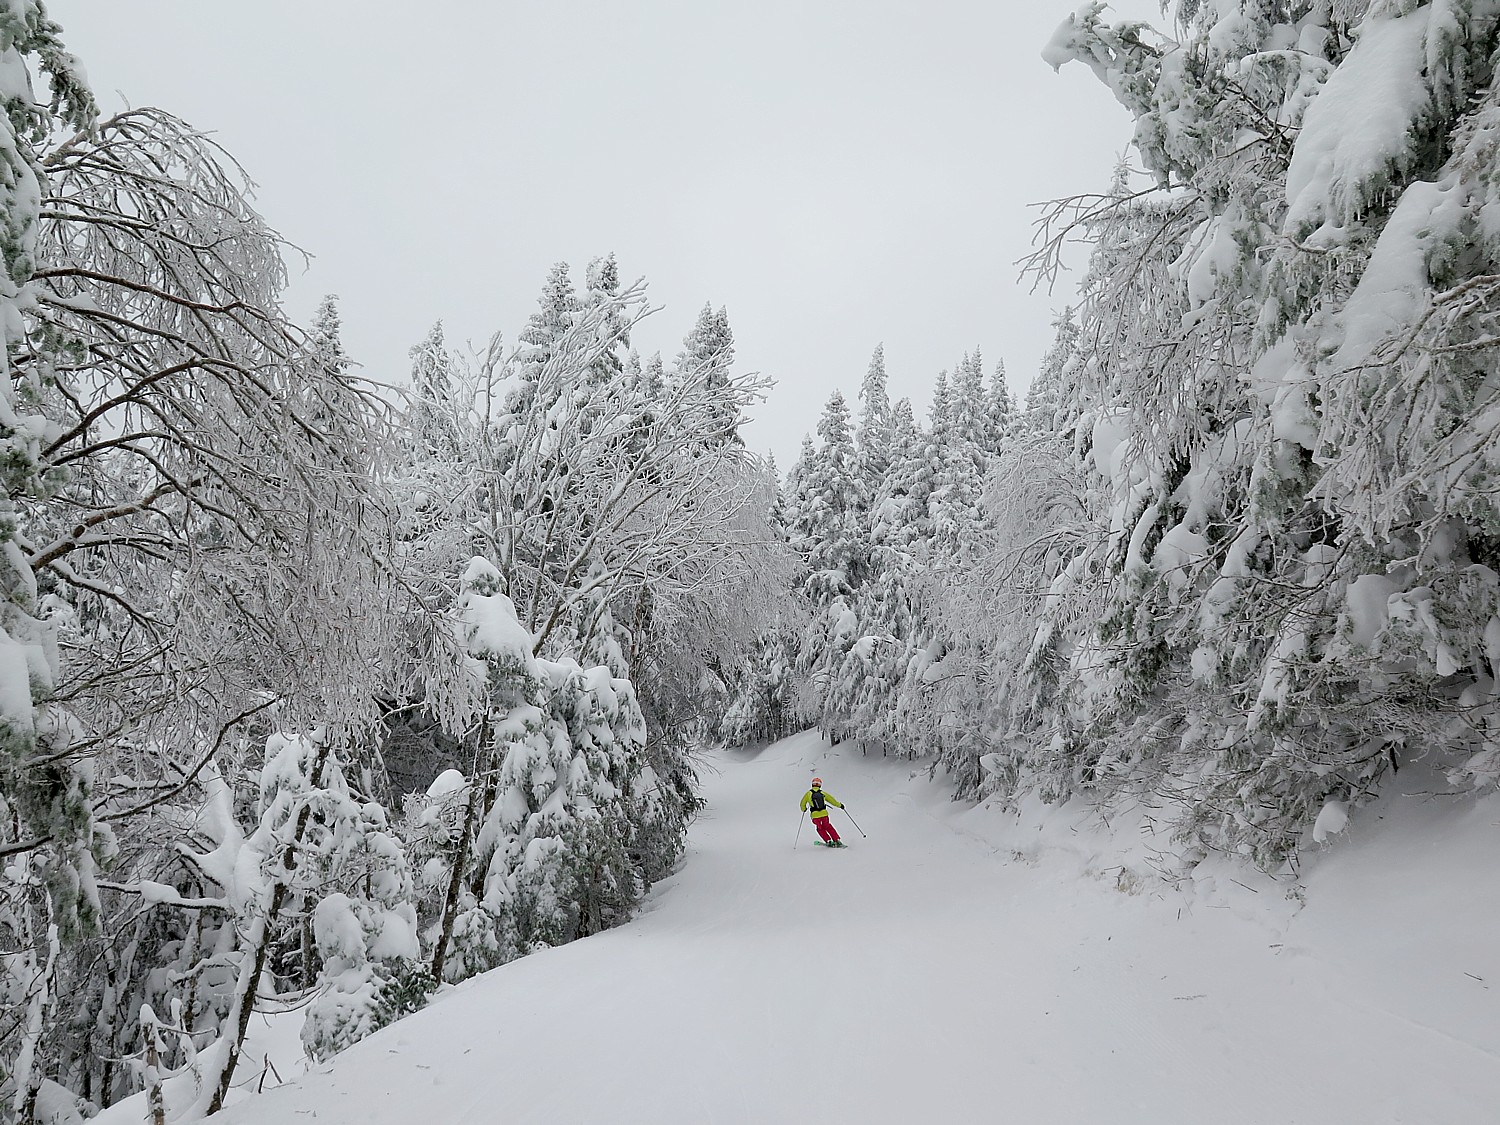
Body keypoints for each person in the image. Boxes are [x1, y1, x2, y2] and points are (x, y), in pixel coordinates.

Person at [800, 777, 846, 847]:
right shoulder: (822, 793)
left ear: (812, 784)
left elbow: (802, 804)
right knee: (828, 826)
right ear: (820, 785)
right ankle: (837, 840)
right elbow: (832, 800)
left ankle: (828, 840)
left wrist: (804, 809)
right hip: (824, 814)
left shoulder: (808, 794)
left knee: (820, 828)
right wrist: (840, 805)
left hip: (815, 816)